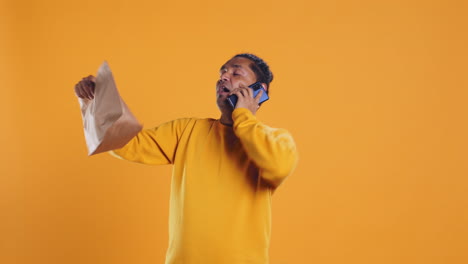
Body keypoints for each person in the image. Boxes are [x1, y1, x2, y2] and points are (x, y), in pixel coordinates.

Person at [74, 53, 298, 264]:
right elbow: (126, 145)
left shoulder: (274, 139)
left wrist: (243, 116)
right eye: (222, 72)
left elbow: (276, 166)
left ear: (260, 90)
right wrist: (98, 98)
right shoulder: (187, 130)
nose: (223, 77)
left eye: (235, 73)